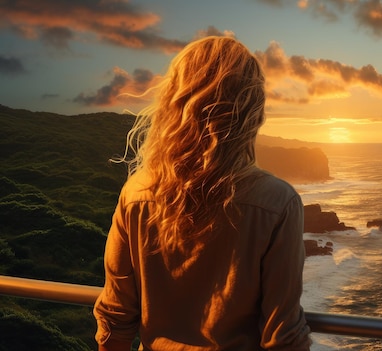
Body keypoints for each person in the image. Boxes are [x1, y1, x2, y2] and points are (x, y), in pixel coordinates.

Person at [93, 36, 311, 351]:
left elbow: (115, 318)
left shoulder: (136, 194)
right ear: (250, 111)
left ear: (174, 102)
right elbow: (283, 338)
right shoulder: (277, 202)